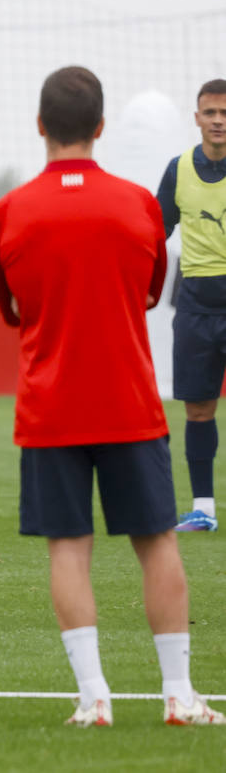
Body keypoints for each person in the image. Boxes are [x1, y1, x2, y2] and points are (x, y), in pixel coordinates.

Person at [0, 66, 223, 727]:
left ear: (40, 126)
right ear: (99, 127)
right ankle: (178, 694)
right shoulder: (139, 205)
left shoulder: (10, 210)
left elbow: (10, 308)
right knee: (157, 543)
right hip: (128, 400)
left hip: (49, 404)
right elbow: (150, 291)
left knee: (68, 546)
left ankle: (94, 698)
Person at [154, 78, 226, 533]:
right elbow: (153, 235)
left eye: (225, 113)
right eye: (211, 113)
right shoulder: (177, 169)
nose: (219, 121)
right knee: (198, 410)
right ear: (196, 117)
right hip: (197, 307)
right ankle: (204, 508)